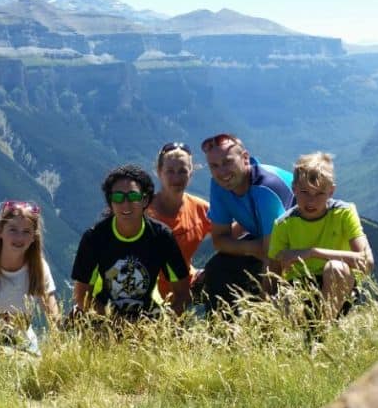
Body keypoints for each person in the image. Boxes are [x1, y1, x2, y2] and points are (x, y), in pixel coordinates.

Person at [71, 164, 191, 319]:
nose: (125, 204)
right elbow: (82, 297)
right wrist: (113, 323)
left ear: (145, 200)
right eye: (118, 197)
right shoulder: (94, 238)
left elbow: (182, 296)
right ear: (110, 202)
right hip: (103, 318)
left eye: (133, 197)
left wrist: (162, 326)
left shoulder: (161, 237)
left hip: (148, 319)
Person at [268, 152, 374, 319]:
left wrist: (313, 252)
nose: (311, 201)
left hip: (338, 289)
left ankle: (320, 331)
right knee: (279, 299)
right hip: (298, 289)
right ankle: (309, 332)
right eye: (304, 192)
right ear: (294, 189)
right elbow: (272, 276)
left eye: (319, 194)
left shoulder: (344, 212)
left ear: (331, 191)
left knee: (336, 268)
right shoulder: (283, 224)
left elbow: (367, 262)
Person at [198, 133, 294, 312]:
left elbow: (272, 255)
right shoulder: (218, 186)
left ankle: (267, 323)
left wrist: (266, 305)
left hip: (302, 242)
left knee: (271, 289)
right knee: (216, 270)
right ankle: (223, 332)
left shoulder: (266, 188)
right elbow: (219, 240)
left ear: (245, 158)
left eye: (227, 162)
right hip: (264, 239)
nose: (222, 172)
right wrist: (253, 247)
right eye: (214, 166)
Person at [0, 200, 60, 353]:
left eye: (26, 231)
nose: (19, 237)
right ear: (0, 232)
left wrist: (61, 349)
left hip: (25, 345)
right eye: (13, 229)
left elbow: (54, 318)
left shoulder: (39, 268)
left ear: (34, 237)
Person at [146, 142, 212, 299]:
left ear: (191, 173)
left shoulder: (201, 209)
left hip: (185, 289)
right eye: (170, 171)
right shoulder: (143, 211)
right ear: (159, 172)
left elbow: (230, 232)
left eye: (182, 171)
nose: (176, 178)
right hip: (148, 293)